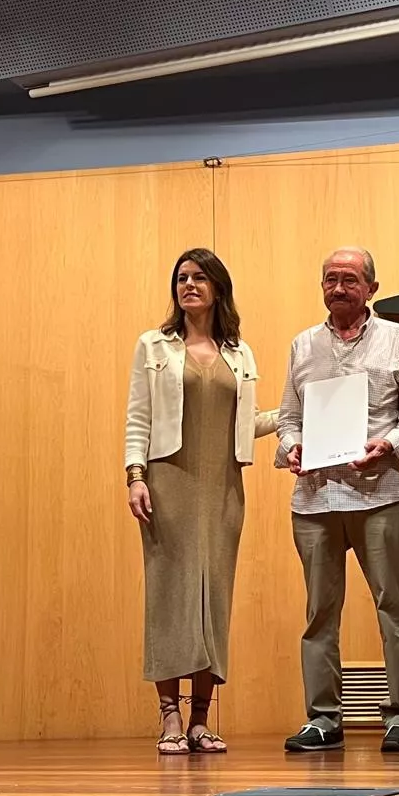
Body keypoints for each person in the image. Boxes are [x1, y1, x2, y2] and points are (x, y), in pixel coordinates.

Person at [124, 248, 276, 755]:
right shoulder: (154, 346)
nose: (189, 285)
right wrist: (135, 475)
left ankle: (201, 720)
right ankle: (168, 716)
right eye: (181, 278)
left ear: (218, 287)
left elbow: (246, 423)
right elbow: (138, 418)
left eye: (199, 278)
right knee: (170, 597)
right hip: (168, 482)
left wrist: (297, 416)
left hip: (224, 487)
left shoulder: (241, 353)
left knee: (214, 597)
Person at [274, 247, 399, 753]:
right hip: (315, 500)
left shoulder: (397, 339)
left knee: (393, 606)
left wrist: (389, 446)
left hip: (381, 495)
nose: (338, 288)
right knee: (320, 612)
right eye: (330, 279)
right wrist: (291, 447)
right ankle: (322, 718)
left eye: (349, 279)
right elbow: (288, 418)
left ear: (371, 289)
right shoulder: (303, 345)